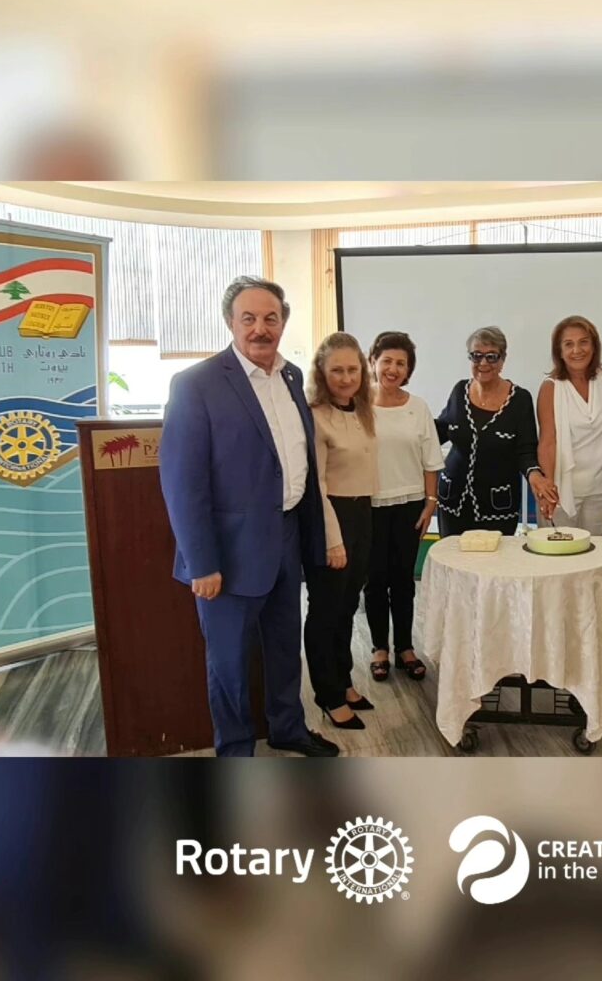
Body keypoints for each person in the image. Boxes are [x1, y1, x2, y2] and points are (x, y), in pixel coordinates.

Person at [159, 276, 338, 757]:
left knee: (284, 647)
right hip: (229, 551)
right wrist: (202, 563)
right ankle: (236, 752)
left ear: (283, 322)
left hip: (287, 536)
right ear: (230, 322)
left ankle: (288, 728)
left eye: (271, 318)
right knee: (230, 665)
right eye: (249, 318)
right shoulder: (196, 384)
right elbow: (182, 482)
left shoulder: (292, 376)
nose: (261, 328)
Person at [303, 332, 378, 731]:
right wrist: (332, 539)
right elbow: (316, 485)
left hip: (362, 514)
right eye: (337, 371)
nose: (346, 378)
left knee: (348, 607)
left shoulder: (363, 410)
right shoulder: (315, 416)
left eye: (353, 370)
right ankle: (328, 694)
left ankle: (344, 680)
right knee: (325, 611)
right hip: (331, 518)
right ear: (322, 372)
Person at [365, 331, 445, 683]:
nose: (393, 369)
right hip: (369, 505)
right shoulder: (358, 405)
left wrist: (431, 503)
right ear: (373, 362)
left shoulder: (418, 407)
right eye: (387, 361)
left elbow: (431, 459)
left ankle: (405, 648)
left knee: (403, 580)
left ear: (408, 369)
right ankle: (379, 648)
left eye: (401, 363)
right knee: (374, 580)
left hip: (411, 504)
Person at [435, 325, 558, 537]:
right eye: (476, 356)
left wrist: (535, 475)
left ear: (502, 360)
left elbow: (526, 451)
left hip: (497, 506)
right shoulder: (459, 390)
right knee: (451, 556)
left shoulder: (520, 399)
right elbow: (440, 431)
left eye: (491, 356)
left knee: (496, 557)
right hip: (452, 501)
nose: (483, 363)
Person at [536, 315, 602, 534]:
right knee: (559, 553)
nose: (577, 350)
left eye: (584, 342)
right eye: (568, 344)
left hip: (600, 486)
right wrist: (548, 490)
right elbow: (547, 442)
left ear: (594, 346)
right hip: (562, 489)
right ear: (559, 351)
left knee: (594, 550)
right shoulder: (550, 388)